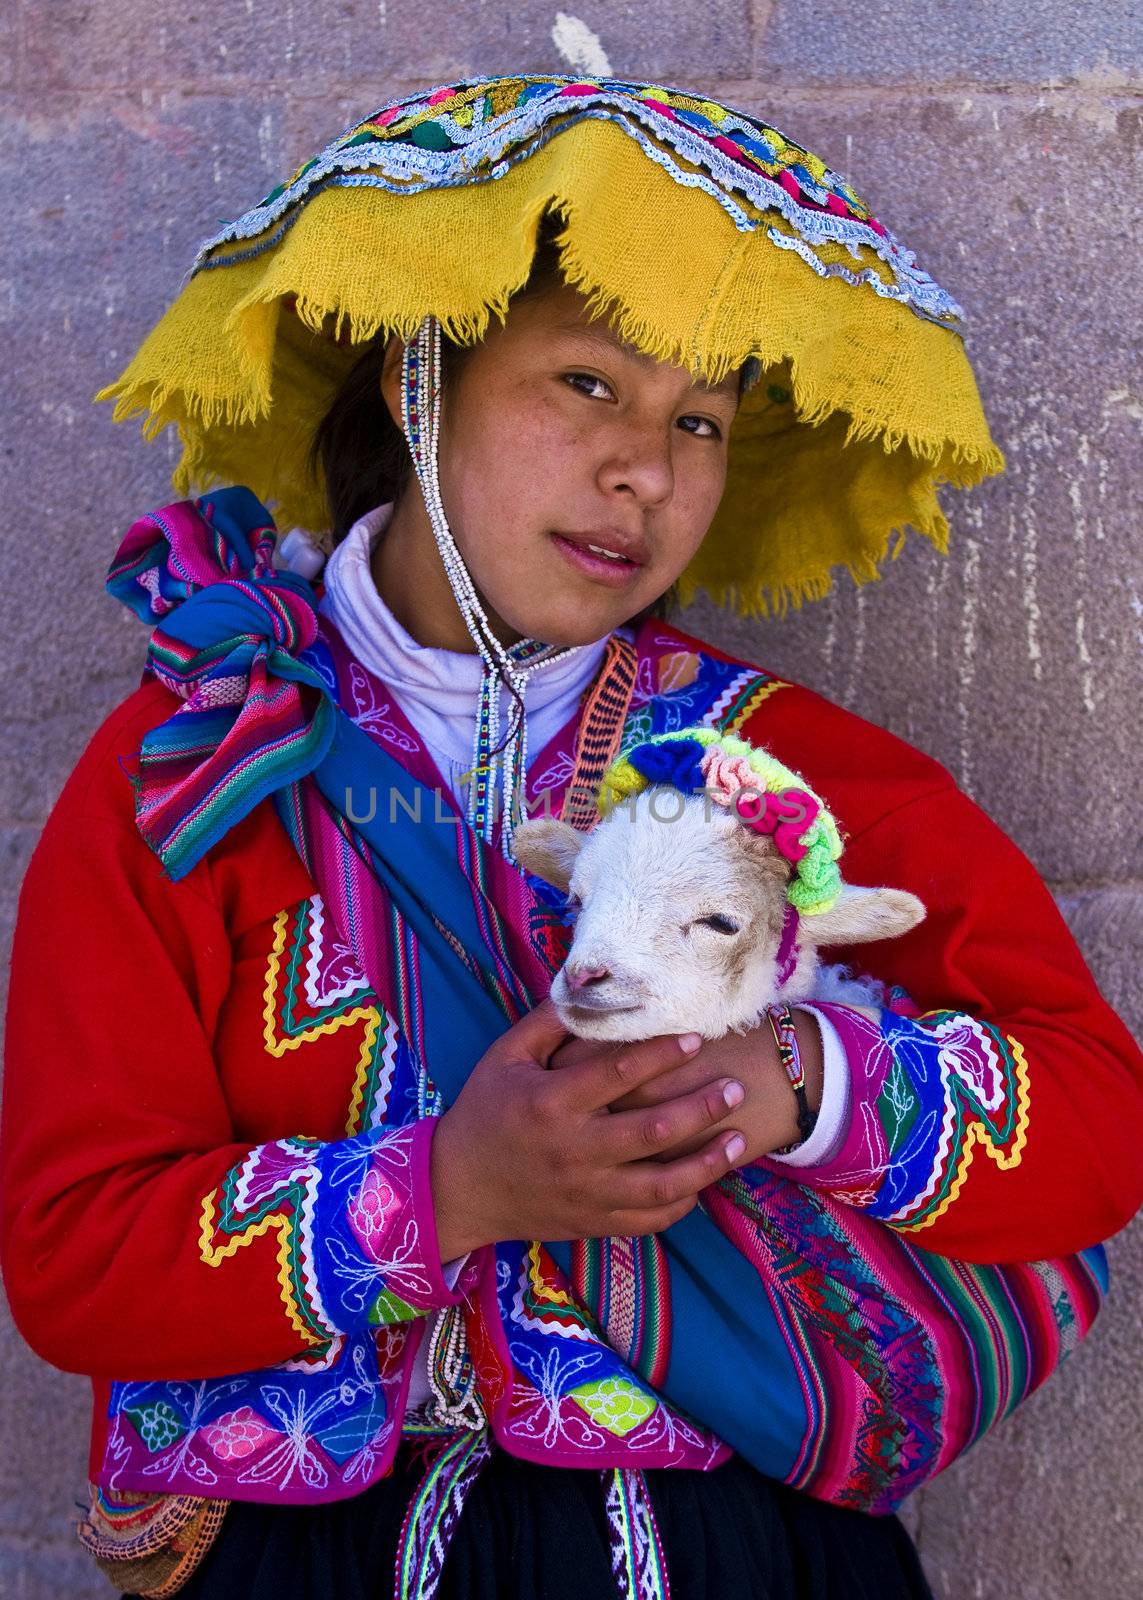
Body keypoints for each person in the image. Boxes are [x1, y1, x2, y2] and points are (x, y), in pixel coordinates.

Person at [2, 75, 1141, 1600]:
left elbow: (1093, 1118)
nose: (648, 474)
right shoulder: (197, 776)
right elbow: (73, 1254)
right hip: (299, 1556)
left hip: (725, 1553)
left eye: (701, 422)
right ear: (422, 380)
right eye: (588, 386)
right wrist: (448, 1194)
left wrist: (794, 1080)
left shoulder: (776, 774)